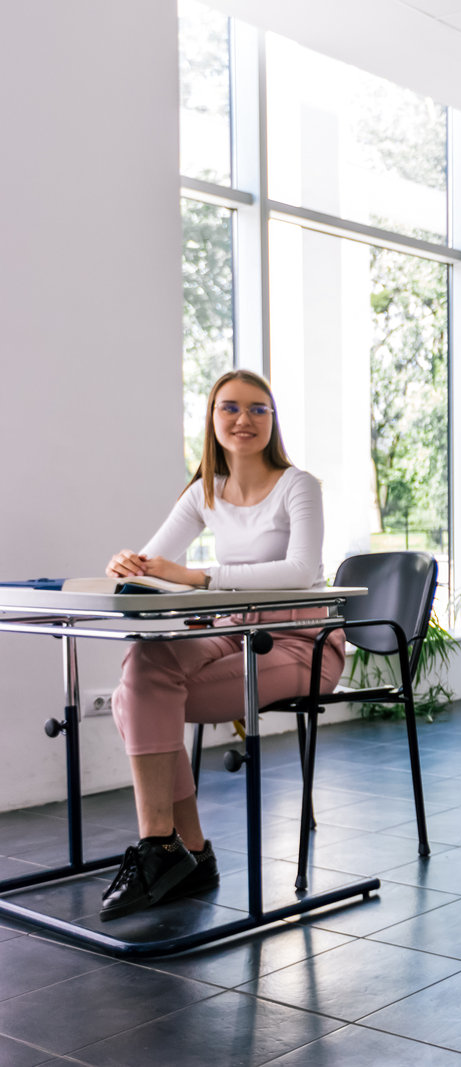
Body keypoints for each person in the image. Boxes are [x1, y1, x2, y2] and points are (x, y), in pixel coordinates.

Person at [101, 370, 342, 921]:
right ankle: (173, 847)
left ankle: (171, 851)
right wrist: (127, 564)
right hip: (234, 627)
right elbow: (153, 567)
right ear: (212, 418)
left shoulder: (298, 485)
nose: (244, 419)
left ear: (273, 420)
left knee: (135, 700)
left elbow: (300, 570)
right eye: (230, 407)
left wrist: (199, 576)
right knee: (145, 665)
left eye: (258, 409)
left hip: (301, 641)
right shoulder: (204, 491)